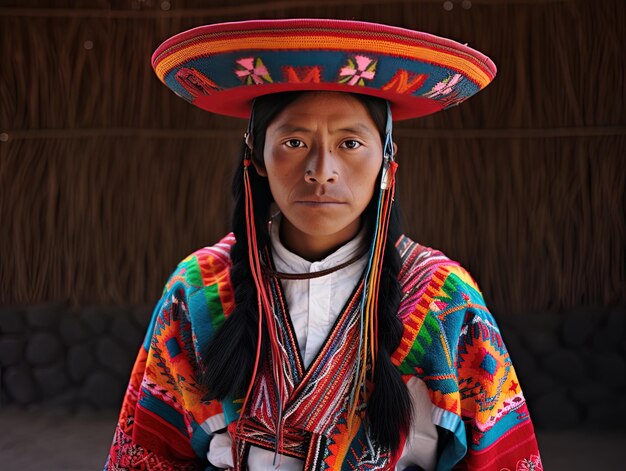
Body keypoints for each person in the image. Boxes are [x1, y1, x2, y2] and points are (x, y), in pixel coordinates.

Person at [105, 19, 542, 470]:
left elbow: (503, 459)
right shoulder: (196, 291)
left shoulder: (445, 298)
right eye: (294, 141)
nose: (321, 169)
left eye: (350, 142)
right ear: (255, 157)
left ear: (388, 164)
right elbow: (146, 455)